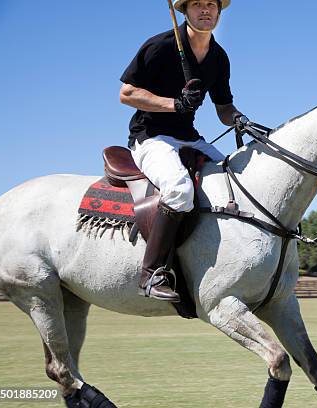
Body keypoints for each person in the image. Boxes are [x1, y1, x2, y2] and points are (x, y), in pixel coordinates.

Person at [119, 0, 247, 302]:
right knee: (178, 189)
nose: (206, 10)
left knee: (236, 179)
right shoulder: (161, 46)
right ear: (185, 10)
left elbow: (224, 108)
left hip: (188, 136)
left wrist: (240, 120)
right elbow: (126, 93)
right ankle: (151, 274)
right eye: (198, 4)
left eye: (211, 5)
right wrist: (173, 104)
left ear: (219, 11)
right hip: (150, 136)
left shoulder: (218, 57)